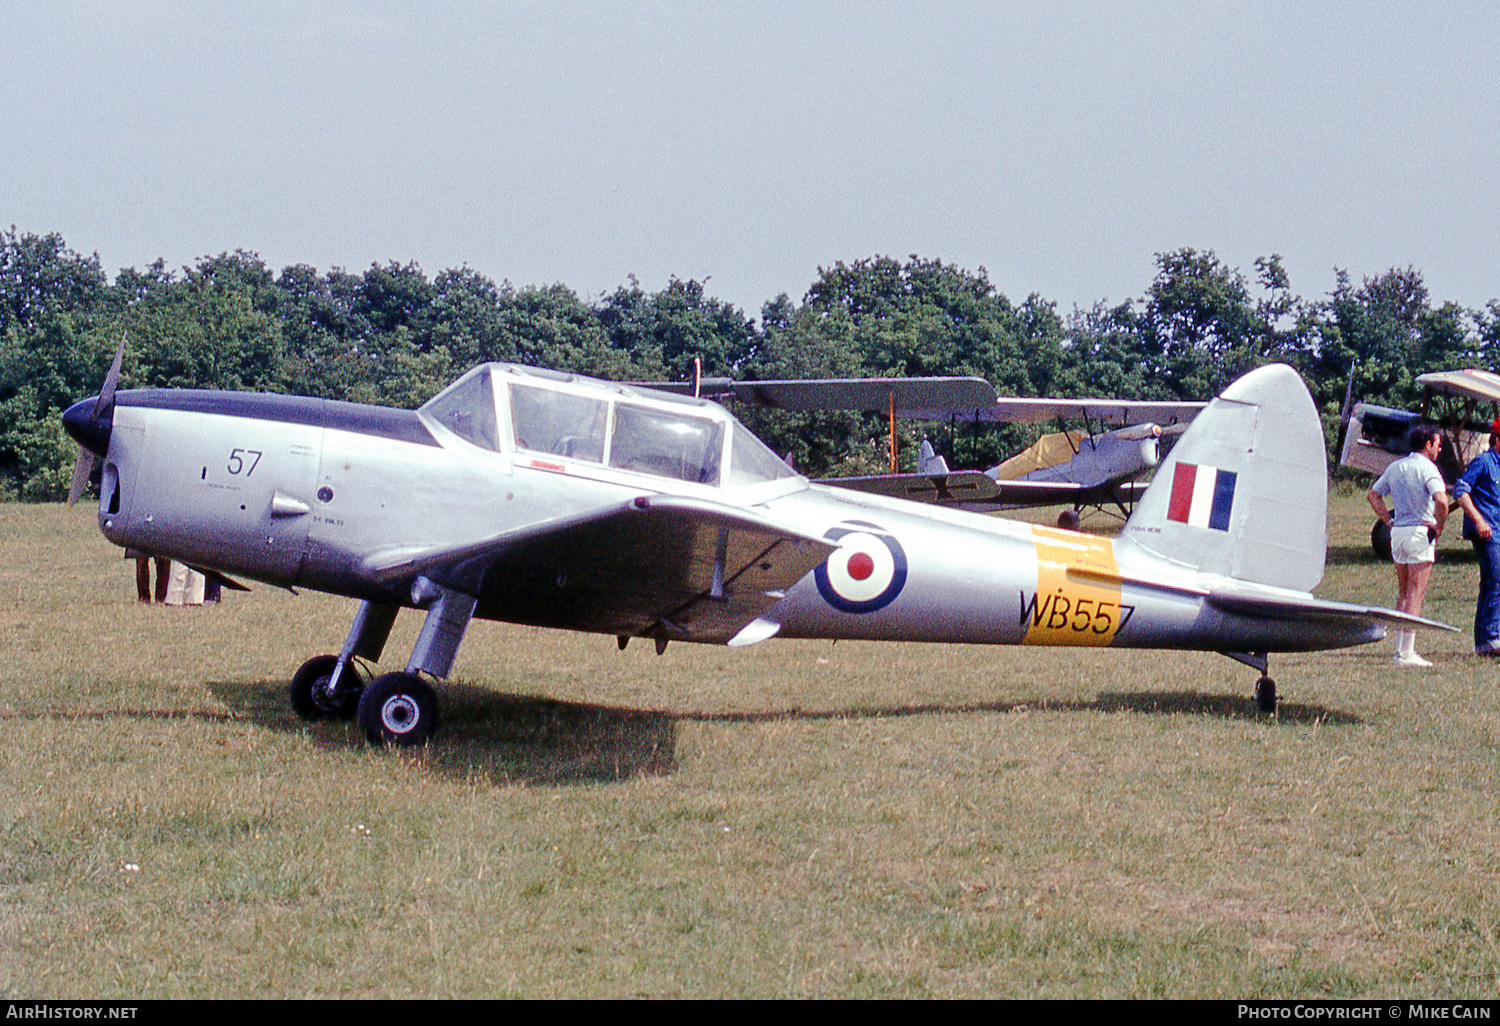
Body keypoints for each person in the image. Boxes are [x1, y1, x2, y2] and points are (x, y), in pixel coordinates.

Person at [1368, 424, 1449, 667]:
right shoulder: (1429, 469)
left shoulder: (1396, 467)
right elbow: (1442, 500)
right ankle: (1407, 653)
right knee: (1416, 593)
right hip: (1418, 533)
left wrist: (1388, 521)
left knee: (1403, 592)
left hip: (1398, 533)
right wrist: (1439, 525)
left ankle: (1399, 650)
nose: (1439, 448)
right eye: (1437, 443)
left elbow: (1373, 495)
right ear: (1428, 445)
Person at [1452, 418, 1500, 656]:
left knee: (1492, 583)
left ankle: (1484, 643)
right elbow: (1460, 490)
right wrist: (1479, 519)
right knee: (1495, 581)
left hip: (1498, 530)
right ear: (1497, 439)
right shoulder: (1484, 462)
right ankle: (1491, 639)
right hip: (1487, 531)